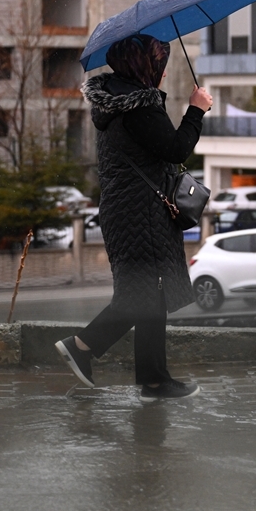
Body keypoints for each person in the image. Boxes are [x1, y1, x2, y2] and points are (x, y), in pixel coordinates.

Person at [55, 34, 213, 402]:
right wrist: (196, 110)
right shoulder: (140, 106)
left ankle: (155, 381)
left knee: (150, 292)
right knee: (141, 292)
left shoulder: (115, 101)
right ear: (145, 64)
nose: (164, 68)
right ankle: (83, 345)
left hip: (126, 208)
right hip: (140, 211)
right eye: (159, 60)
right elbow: (174, 149)